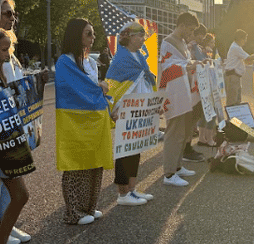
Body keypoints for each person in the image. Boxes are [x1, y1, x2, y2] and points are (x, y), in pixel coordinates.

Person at [55, 19, 114, 224]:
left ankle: (90, 207)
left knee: (94, 162)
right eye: (88, 33)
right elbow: (76, 89)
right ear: (76, 35)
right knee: (76, 164)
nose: (93, 37)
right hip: (74, 120)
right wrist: (100, 87)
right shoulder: (65, 61)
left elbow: (91, 88)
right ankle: (73, 212)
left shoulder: (90, 61)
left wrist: (100, 90)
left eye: (93, 33)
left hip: (93, 119)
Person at [0, 0, 40, 244]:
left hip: (11, 124)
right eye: (6, 13)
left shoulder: (10, 51)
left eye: (13, 14)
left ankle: (6, 226)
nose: (11, 18)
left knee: (12, 188)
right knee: (14, 188)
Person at [106, 22, 156, 205]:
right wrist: (113, 108)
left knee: (135, 149)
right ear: (129, 37)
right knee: (124, 151)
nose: (143, 39)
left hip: (140, 109)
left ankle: (133, 189)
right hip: (125, 110)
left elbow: (146, 80)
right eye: (140, 35)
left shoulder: (140, 57)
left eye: (143, 35)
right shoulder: (120, 59)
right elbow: (112, 84)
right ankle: (122, 193)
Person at [0, 29, 31, 244]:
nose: (7, 54)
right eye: (3, 49)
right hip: (2, 148)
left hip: (8, 145)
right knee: (19, 194)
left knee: (20, 195)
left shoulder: (2, 74)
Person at [159, 12, 202, 187]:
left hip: (185, 92)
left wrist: (195, 63)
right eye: (189, 30)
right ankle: (169, 173)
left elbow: (184, 62)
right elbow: (167, 67)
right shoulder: (167, 42)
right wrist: (189, 65)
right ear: (182, 25)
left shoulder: (183, 42)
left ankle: (177, 166)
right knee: (174, 132)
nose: (190, 34)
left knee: (183, 133)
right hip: (174, 93)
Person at [224, 29, 254, 106]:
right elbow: (248, 58)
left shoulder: (237, 47)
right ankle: (231, 117)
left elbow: (246, 61)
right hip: (233, 75)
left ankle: (235, 116)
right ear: (240, 38)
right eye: (244, 39)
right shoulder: (235, 47)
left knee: (237, 99)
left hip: (235, 76)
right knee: (232, 100)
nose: (245, 41)